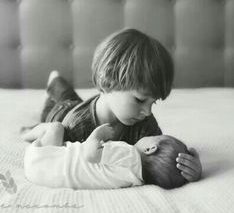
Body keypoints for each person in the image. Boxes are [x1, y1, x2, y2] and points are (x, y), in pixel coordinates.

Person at [22, 28, 202, 182]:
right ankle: (54, 81)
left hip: (87, 104)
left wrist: (188, 168)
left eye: (152, 102)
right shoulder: (75, 127)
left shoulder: (144, 123)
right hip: (63, 112)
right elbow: (56, 160)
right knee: (62, 100)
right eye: (139, 100)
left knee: (72, 97)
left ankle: (58, 83)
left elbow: (159, 156)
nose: (147, 112)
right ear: (108, 80)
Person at [23, 122, 190, 189]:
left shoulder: (129, 153)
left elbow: (89, 155)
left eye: (155, 137)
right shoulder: (135, 181)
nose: (150, 135)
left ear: (150, 148)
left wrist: (97, 134)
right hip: (46, 177)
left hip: (41, 160)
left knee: (57, 127)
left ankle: (28, 134)